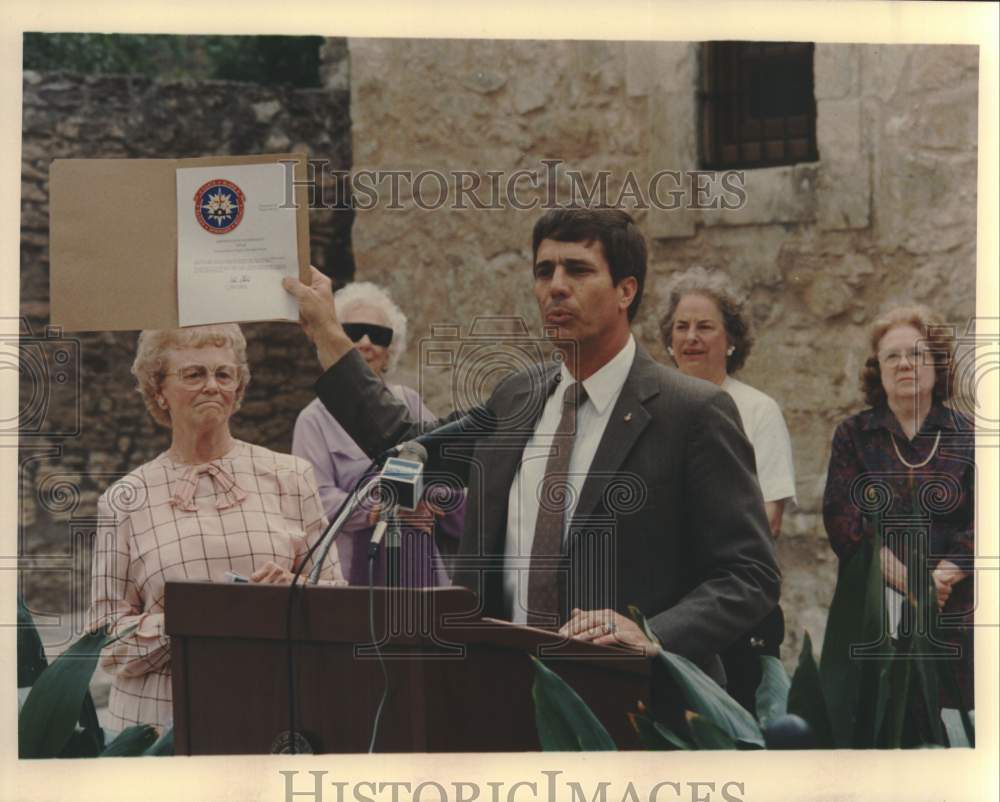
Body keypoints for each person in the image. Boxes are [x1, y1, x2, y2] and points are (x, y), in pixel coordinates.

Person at [285, 208, 779, 683]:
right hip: (502, 695)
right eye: (544, 271)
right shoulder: (517, 398)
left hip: (631, 708)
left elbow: (748, 574)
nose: (556, 287)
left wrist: (651, 634)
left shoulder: (693, 412)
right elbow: (407, 447)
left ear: (626, 289)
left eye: (578, 270)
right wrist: (326, 331)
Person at [89, 324, 344, 733]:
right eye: (193, 375)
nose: (212, 385)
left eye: (223, 375)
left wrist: (293, 592)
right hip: (159, 726)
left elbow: (338, 605)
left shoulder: (290, 476)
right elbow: (103, 644)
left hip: (274, 708)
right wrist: (198, 619)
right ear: (159, 391)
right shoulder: (126, 499)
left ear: (237, 390)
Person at [823, 305, 974, 717]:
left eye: (917, 353)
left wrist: (941, 576)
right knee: (883, 723)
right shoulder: (853, 436)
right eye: (893, 355)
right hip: (877, 604)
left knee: (955, 727)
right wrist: (911, 582)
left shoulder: (969, 436)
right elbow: (844, 523)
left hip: (957, 610)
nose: (905, 363)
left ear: (937, 364)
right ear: (879, 368)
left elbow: (988, 519)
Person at [659, 266, 794, 710]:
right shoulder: (652, 409)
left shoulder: (757, 410)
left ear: (731, 339)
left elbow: (768, 519)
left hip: (733, 610)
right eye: (681, 327)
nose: (691, 337)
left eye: (705, 326)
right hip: (663, 610)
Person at [292, 281, 463, 587]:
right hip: (350, 574)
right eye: (354, 332)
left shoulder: (408, 402)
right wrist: (384, 506)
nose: (367, 342)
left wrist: (428, 498)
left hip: (419, 567)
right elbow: (314, 498)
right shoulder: (313, 419)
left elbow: (446, 467)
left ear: (390, 351)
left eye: (379, 335)